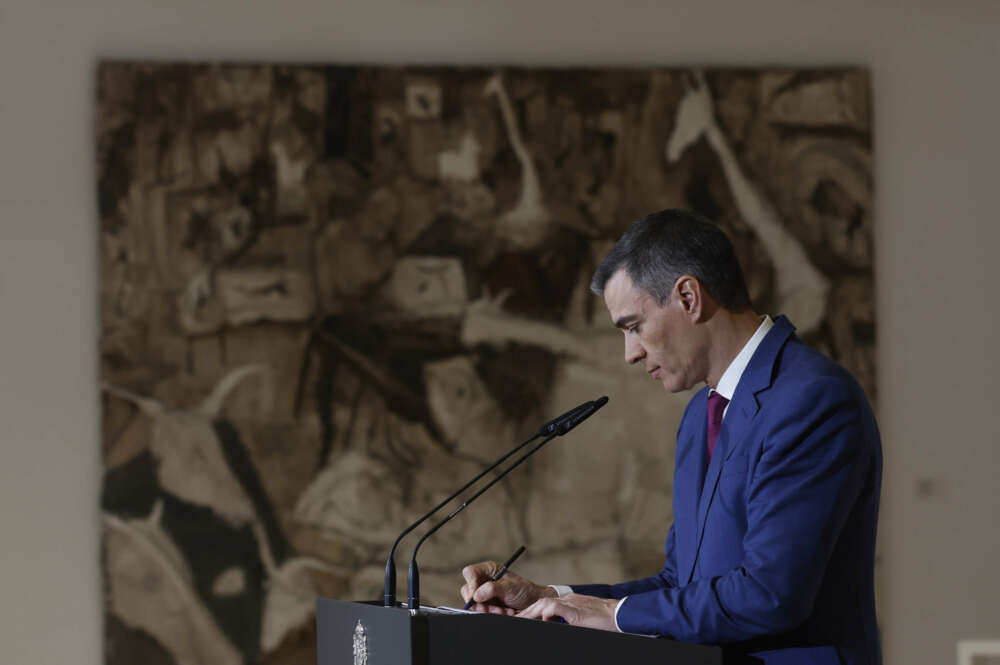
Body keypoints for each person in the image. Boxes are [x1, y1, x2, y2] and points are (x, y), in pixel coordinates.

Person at [459, 209, 882, 665]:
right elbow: (681, 586)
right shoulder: (702, 414)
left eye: (633, 326)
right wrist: (553, 598)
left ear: (688, 297)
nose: (630, 354)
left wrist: (611, 613)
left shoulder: (813, 399)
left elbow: (770, 593)